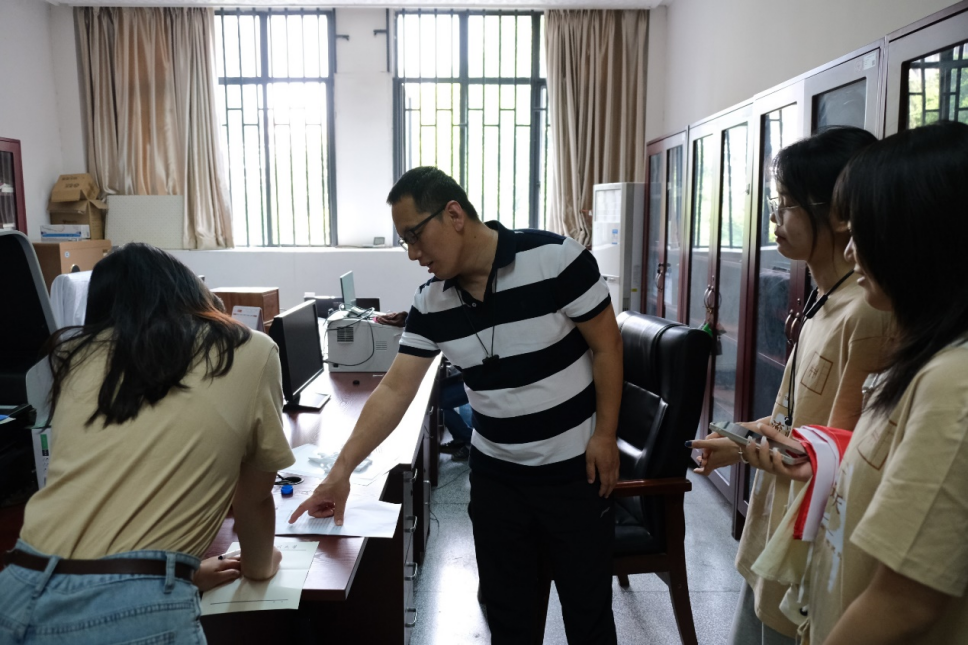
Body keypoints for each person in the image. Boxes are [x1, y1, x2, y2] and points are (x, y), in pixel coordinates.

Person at [289, 166, 623, 644]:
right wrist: (340, 471)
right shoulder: (431, 303)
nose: (412, 254)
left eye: (415, 236)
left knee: (588, 620)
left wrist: (605, 435)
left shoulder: (556, 259)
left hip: (574, 475)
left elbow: (608, 347)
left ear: (454, 214)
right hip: (498, 484)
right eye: (404, 242)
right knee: (510, 623)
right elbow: (395, 390)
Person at [0, 244, 295, 644]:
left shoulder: (74, 355)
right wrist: (260, 566)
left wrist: (185, 574)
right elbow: (253, 498)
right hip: (132, 608)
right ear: (185, 288)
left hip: (19, 587)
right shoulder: (248, 348)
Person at [751, 120, 968, 644]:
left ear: (921, 240)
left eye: (865, 231)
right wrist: (818, 460)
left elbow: (904, 602)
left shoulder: (952, 383)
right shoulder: (922, 357)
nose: (852, 251)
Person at [687, 126, 891, 644]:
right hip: (774, 530)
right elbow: (796, 422)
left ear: (839, 212)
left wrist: (752, 447)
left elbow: (835, 456)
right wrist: (739, 441)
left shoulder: (865, 314)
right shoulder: (825, 300)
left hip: (807, 542)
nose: (774, 219)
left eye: (786, 204)